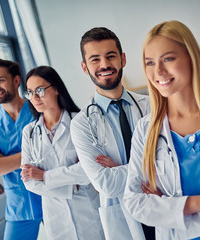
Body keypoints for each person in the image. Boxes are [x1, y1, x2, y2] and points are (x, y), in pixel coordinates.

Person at [123, 20, 200, 240]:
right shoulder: (146, 130)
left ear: (191, 59)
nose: (159, 71)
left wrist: (167, 208)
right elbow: (134, 202)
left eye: (168, 59)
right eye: (150, 63)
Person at [70, 27, 151, 240]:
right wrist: (146, 168)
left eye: (110, 56)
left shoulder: (151, 106)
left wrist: (120, 170)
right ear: (85, 67)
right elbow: (105, 184)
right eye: (95, 59)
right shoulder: (81, 124)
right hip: (124, 217)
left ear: (123, 59)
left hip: (160, 204)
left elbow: (168, 164)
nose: (104, 65)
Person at [20, 66, 104, 240]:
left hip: (88, 214)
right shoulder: (29, 132)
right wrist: (71, 185)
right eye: (29, 92)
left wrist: (44, 176)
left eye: (40, 90)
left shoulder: (81, 122)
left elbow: (89, 170)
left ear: (56, 88)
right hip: (56, 220)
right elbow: (29, 182)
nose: (34, 97)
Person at [0, 59, 42, 240]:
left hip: (51, 196)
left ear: (16, 81)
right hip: (19, 205)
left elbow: (52, 150)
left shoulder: (37, 109)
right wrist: (31, 155)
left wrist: (4, 159)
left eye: (0, 80)